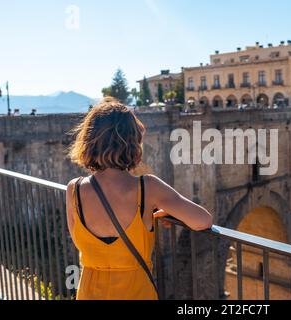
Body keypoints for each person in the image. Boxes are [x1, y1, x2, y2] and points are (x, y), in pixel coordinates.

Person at [65, 97, 213, 300]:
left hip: (90, 292)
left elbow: (80, 242)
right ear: (133, 142)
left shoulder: (74, 189)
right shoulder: (148, 188)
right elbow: (203, 221)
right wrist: (168, 211)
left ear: (89, 142)